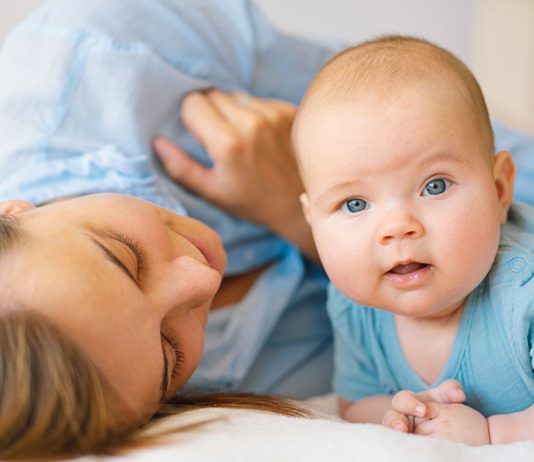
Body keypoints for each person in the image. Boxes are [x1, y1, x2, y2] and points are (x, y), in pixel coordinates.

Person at [0, 0, 533, 458]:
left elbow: (448, 125)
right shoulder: (190, 397)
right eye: (170, 352)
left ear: (10, 213)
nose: (200, 281)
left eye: (126, 257)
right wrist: (305, 225)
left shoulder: (103, 49)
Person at [292, 35, 534, 446]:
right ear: (312, 219)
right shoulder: (354, 307)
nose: (396, 228)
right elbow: (356, 402)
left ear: (498, 190)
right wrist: (402, 415)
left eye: (434, 186)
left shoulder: (523, 293)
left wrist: (493, 432)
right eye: (354, 204)